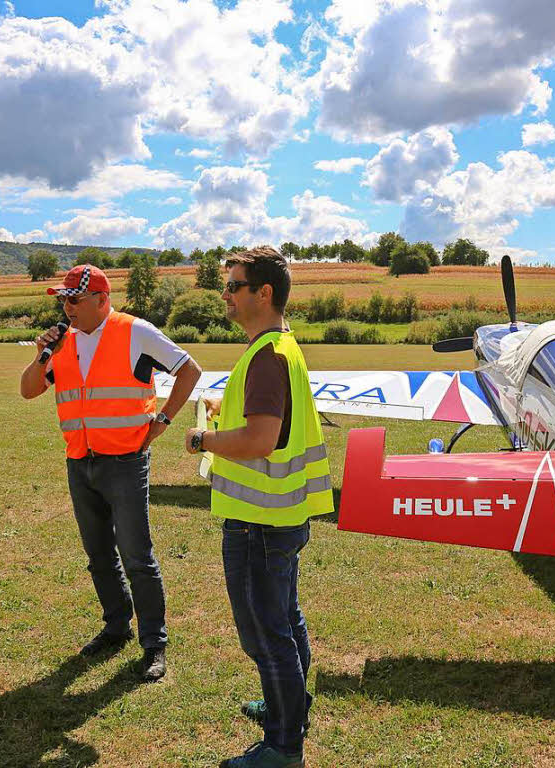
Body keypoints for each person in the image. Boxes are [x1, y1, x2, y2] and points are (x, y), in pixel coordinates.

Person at [185, 246, 333, 768]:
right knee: (284, 620)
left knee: (265, 632)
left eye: (233, 285)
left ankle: (283, 746)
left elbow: (261, 439)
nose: (225, 294)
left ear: (263, 293)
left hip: (260, 523)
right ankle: (286, 706)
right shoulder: (280, 347)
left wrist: (205, 439)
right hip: (281, 517)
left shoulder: (268, 354)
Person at [20, 264, 201, 682]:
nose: (67, 308)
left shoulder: (135, 331)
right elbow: (29, 390)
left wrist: (165, 419)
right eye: (62, 300)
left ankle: (154, 643)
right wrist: (39, 355)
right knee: (99, 555)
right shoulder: (61, 341)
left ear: (102, 300)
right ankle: (116, 626)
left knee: (137, 556)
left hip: (125, 462)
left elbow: (188, 369)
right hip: (80, 461)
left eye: (74, 300)